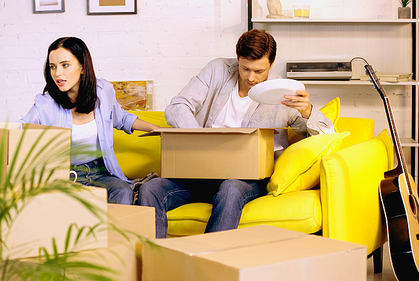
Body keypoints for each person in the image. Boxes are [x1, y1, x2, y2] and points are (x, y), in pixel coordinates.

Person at [137, 29, 335, 238]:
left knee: (230, 188)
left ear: (272, 62)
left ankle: (208, 263)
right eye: (245, 68)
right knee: (152, 188)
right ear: (237, 58)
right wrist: (202, 142)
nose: (251, 77)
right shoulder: (217, 70)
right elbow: (177, 107)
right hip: (202, 171)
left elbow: (325, 136)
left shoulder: (282, 92)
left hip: (246, 179)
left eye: (259, 71)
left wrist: (307, 111)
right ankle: (153, 260)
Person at [0, 36, 160, 205]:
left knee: (122, 192)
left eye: (65, 65)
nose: (58, 73)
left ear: (82, 67)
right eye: (53, 66)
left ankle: (116, 252)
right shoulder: (45, 103)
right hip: (66, 175)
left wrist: (157, 128)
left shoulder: (104, 91)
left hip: (102, 173)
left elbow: (121, 118)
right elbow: (16, 131)